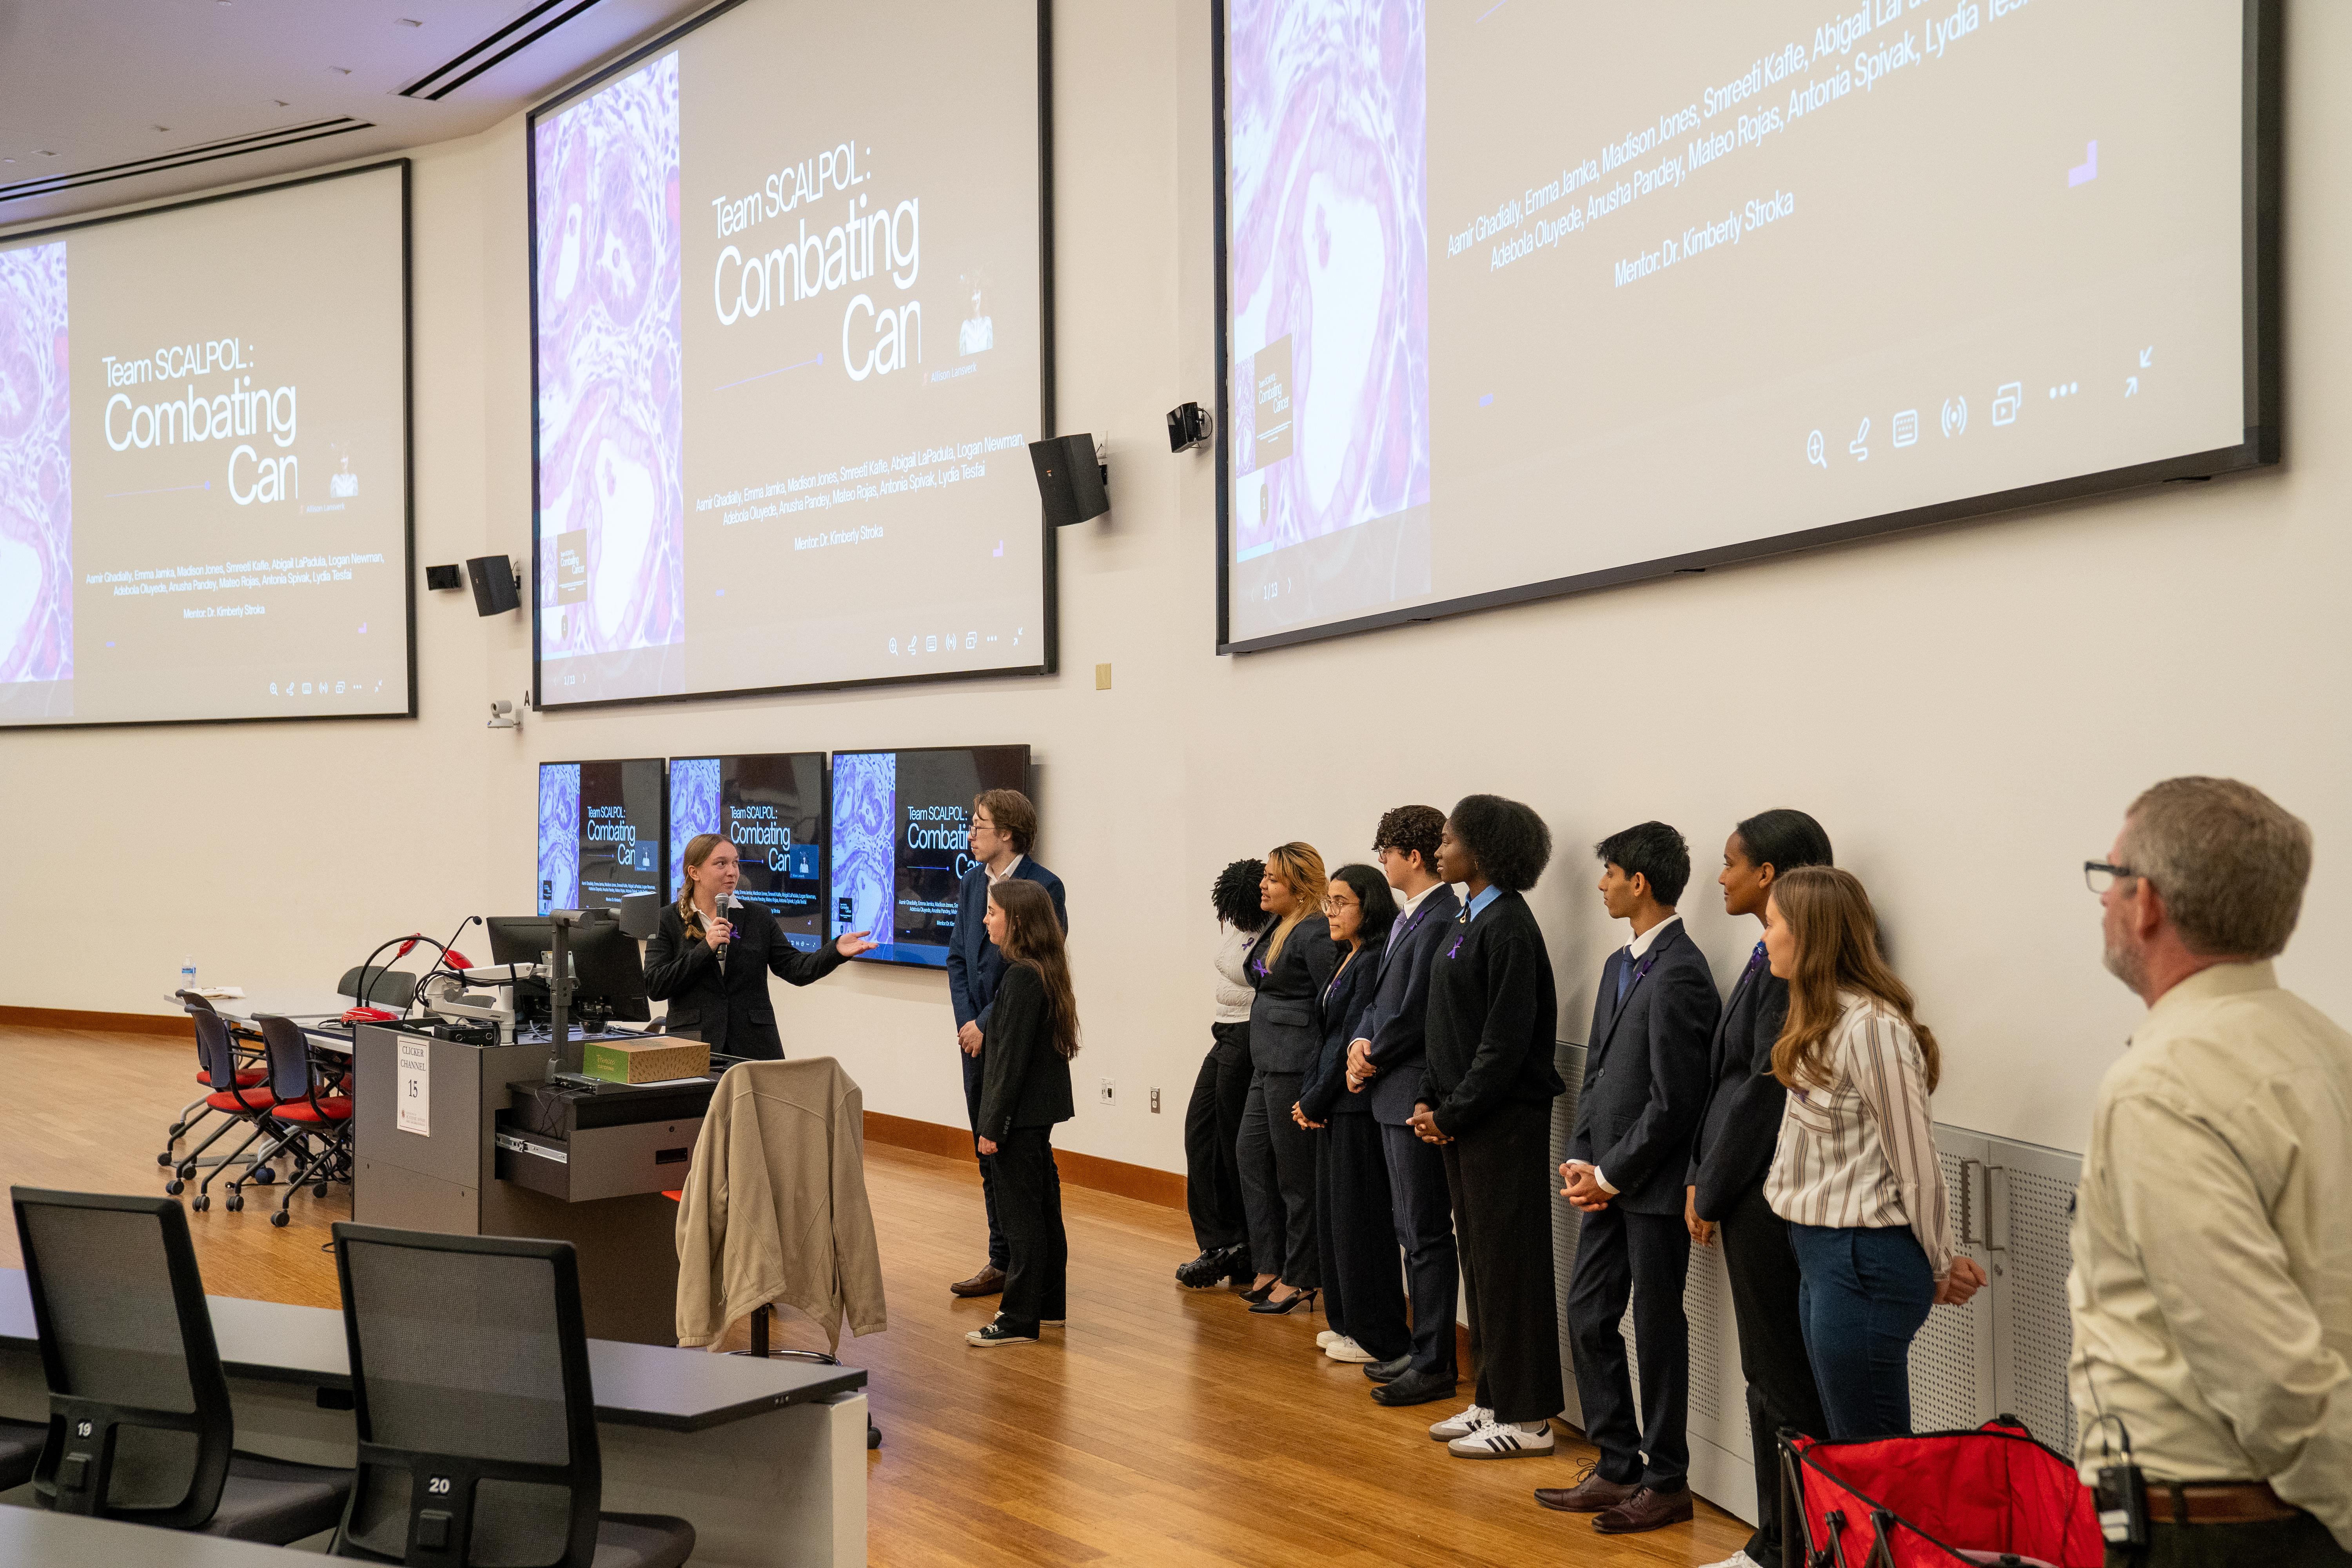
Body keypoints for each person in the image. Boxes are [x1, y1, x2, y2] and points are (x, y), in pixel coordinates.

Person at [2073, 778, 2352, 1566]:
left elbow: (2266, 1372)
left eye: (2111, 873)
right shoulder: (2328, 1047)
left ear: (2148, 902)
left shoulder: (2162, 1084)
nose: (2103, 901)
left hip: (2220, 1529)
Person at [1760, 867, 1986, 1440]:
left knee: (1875, 1461)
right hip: (1824, 1253)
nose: (1764, 938)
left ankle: (1894, 1538)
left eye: (1772, 925)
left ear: (1808, 935)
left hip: (1862, 1256)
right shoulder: (1819, 1019)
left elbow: (1916, 1161)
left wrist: (1938, 1262)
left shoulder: (1873, 1029)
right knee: (1850, 1449)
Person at [1550, 822, 1719, 1534]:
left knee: (1656, 1328)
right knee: (1588, 1315)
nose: (1602, 884)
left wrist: (1614, 1173)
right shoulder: (1624, 963)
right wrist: (1586, 1156)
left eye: (1610, 873)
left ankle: (1667, 1479)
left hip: (1648, 1188)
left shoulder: (1683, 969)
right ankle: (1616, 1461)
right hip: (1609, 1180)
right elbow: (1601, 1074)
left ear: (1639, 882)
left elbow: (1676, 1101)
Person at [1686, 811, 1837, 1568]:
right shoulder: (1764, 953)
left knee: (1780, 1381)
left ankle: (1787, 1545)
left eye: (1731, 863)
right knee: (1767, 1377)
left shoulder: (1798, 963)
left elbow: (1760, 1088)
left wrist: (1709, 1189)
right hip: (1742, 1183)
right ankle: (1779, 1537)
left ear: (1770, 874)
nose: (1721, 877)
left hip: (1763, 1192)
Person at [1413, 795, 1566, 1460]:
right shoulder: (1466, 917)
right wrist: (1432, 1099)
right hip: (1464, 1119)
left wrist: (1453, 1112)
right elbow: (1446, 1022)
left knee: (1512, 1267)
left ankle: (1529, 1418)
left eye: (1449, 840)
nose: (1439, 849)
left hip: (1501, 1123)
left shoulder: (1507, 925)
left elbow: (1503, 1046)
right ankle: (1492, 1397)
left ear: (1484, 851)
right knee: (1481, 1261)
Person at [1350, 805, 1466, 1406]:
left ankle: (1434, 1361)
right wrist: (1358, 1041)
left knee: (1424, 1231)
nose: (1383, 864)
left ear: (1411, 856)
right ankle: (1421, 1352)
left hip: (1411, 1084)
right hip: (1389, 1083)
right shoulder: (1408, 918)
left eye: (1386, 853)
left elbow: (1419, 1009)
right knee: (1408, 1229)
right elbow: (1378, 999)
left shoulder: (1444, 915)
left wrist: (1373, 1052)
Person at [945, 788, 1069, 1301]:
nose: (971, 834)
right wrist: (969, 1025)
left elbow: (1039, 968)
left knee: (1020, 1154)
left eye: (980, 825)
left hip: (1015, 1038)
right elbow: (956, 959)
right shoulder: (973, 882)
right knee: (987, 1149)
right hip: (975, 1040)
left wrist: (987, 1024)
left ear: (1008, 834)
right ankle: (1002, 1258)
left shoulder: (1044, 886)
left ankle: (1025, 1267)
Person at [967, 877, 1079, 1347]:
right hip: (1040, 1111)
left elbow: (1008, 1061)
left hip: (1020, 1115)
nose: (986, 919)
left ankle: (1017, 1318)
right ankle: (1049, 1304)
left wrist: (992, 1126)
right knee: (1044, 1209)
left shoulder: (1019, 977)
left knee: (1022, 1219)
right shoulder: (1042, 969)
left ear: (1017, 921)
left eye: (993, 912)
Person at [1296, 864, 1401, 1366]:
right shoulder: (1348, 956)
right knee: (1335, 1220)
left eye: (1342, 903)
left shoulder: (1374, 959)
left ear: (1369, 907)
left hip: (1356, 1105)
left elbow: (1349, 1043)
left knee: (1360, 1221)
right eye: (1328, 903)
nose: (1332, 912)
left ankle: (1373, 1330)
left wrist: (1317, 1098)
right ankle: (1345, 1321)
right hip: (1334, 1104)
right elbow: (1326, 1037)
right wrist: (1311, 1096)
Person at [645, 834, 875, 1055]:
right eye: (721, 864)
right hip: (693, 1044)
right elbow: (656, 986)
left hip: (753, 1044)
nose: (732, 872)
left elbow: (797, 969)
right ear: (694, 872)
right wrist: (706, 947)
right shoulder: (666, 919)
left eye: (735, 863)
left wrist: (835, 951)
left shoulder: (758, 916)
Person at [1235, 843, 1337, 1314]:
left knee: (1295, 1175)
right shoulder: (1280, 925)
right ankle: (1269, 1262)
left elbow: (1332, 1000)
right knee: (1251, 1156)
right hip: (1266, 1060)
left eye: (1274, 879)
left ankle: (1301, 1275)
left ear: (1298, 887)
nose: (1264, 884)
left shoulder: (1316, 933)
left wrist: (1321, 1072)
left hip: (1295, 1064)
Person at [1177, 858, 1267, 1290]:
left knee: (1234, 1142)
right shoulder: (1242, 926)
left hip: (1250, 1035)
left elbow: (1257, 975)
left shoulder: (1276, 930)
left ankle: (1245, 1243)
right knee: (1199, 1132)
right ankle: (1219, 1241)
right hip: (1225, 1032)